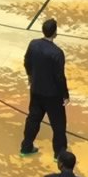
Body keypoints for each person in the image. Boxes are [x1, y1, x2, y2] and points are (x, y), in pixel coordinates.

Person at [19, 18, 69, 156]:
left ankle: (26, 147)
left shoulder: (33, 44)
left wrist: (30, 76)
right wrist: (65, 95)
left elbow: (26, 62)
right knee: (58, 125)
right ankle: (59, 154)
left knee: (33, 119)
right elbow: (60, 77)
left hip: (36, 90)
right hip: (53, 95)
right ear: (55, 33)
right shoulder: (57, 53)